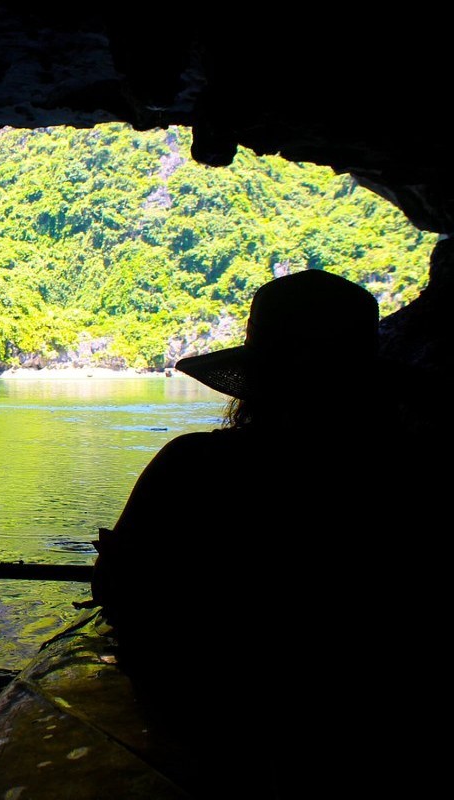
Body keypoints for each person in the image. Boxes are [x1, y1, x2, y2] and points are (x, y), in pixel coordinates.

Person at [84, 269, 439, 797]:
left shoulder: (195, 467)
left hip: (217, 728)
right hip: (371, 737)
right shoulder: (415, 480)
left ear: (257, 378)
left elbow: (119, 592)